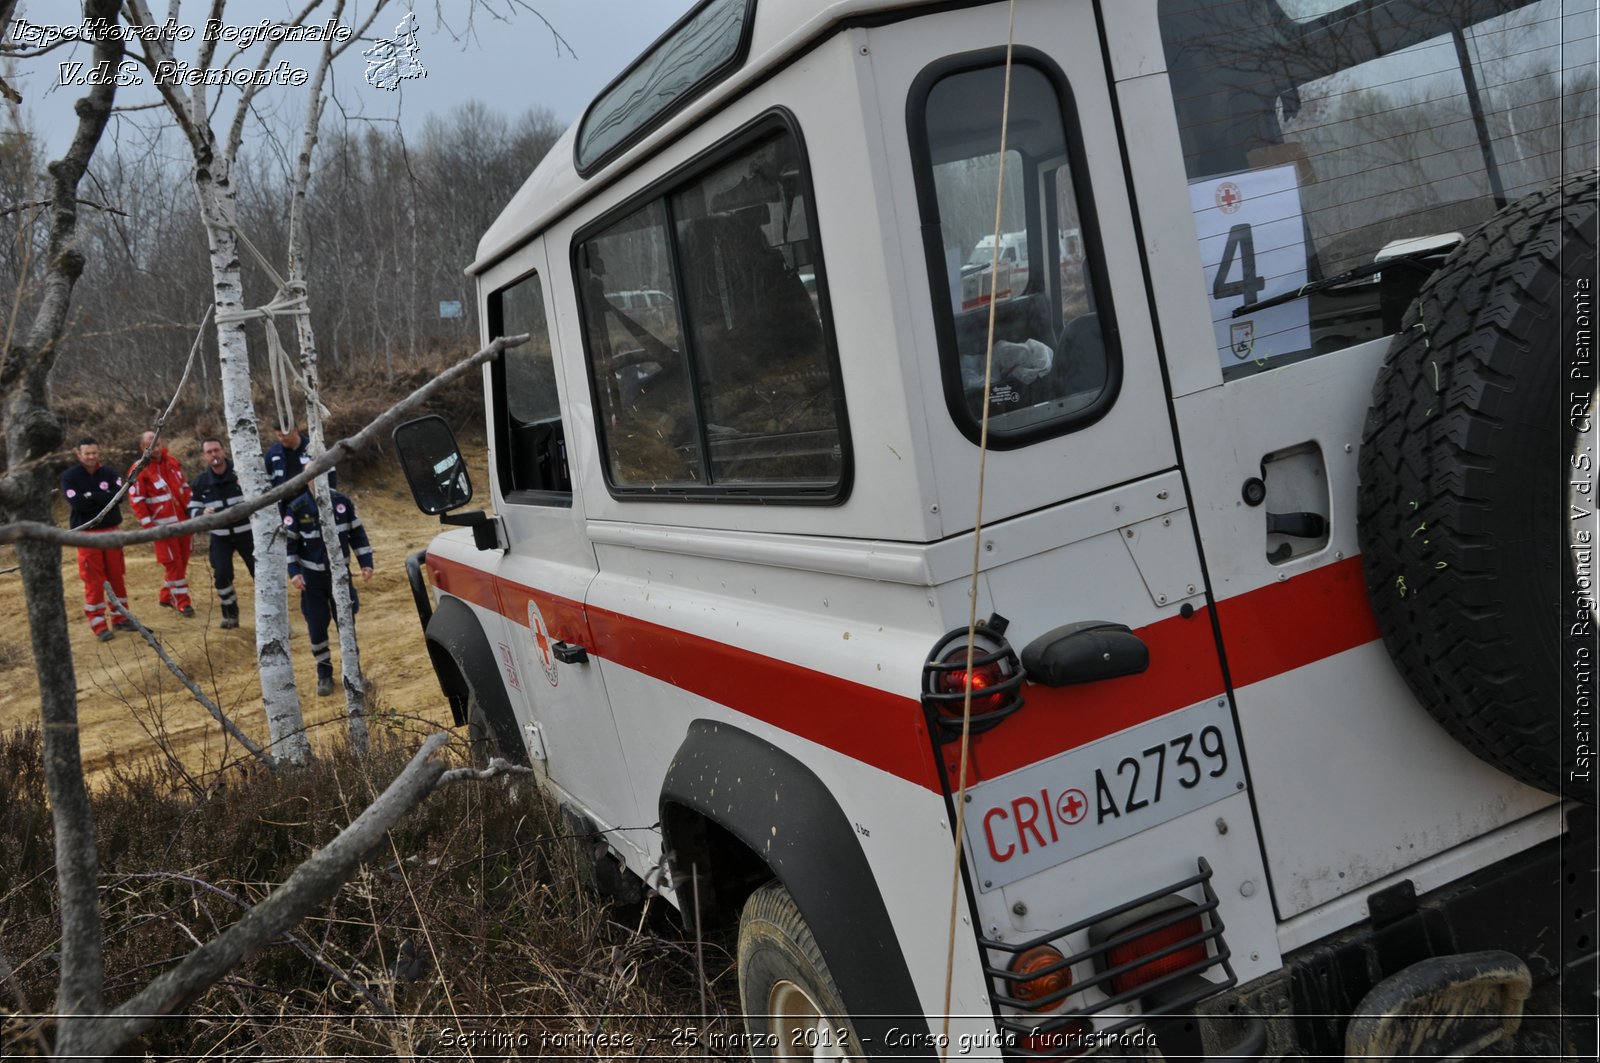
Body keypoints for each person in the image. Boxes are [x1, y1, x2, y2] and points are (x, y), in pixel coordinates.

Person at [285, 485, 373, 696]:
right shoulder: (297, 507)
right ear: (308, 481)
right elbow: (289, 545)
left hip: (340, 576)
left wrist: (366, 562)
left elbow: (357, 534)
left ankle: (353, 672)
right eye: (313, 477)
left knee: (347, 623)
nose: (317, 481)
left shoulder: (342, 502)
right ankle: (324, 675)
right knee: (316, 626)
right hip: (311, 580)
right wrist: (294, 573)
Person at [62, 437, 132, 642]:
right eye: (87, 454)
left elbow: (120, 497)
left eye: (95, 453)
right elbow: (78, 505)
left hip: (112, 532)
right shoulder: (70, 476)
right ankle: (98, 624)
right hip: (87, 535)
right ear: (79, 455)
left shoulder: (109, 473)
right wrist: (104, 497)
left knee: (117, 575)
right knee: (93, 581)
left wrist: (91, 495)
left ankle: (121, 618)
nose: (92, 457)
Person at [188, 437, 255, 629]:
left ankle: (272, 616)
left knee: (260, 572)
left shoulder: (241, 473)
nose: (213, 455)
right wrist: (202, 513)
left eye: (216, 450)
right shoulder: (201, 482)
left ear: (224, 451)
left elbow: (263, 495)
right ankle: (230, 615)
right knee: (222, 574)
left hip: (247, 534)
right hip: (220, 536)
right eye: (209, 452)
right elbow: (192, 509)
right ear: (204, 456)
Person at [127, 430, 194, 616]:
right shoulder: (139, 468)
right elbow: (137, 501)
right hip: (162, 528)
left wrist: (193, 511)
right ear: (143, 447)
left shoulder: (172, 462)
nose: (155, 443)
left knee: (182, 562)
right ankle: (181, 601)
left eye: (157, 440)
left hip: (184, 523)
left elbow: (184, 487)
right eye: (150, 441)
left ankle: (166, 596)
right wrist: (149, 528)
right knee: (173, 563)